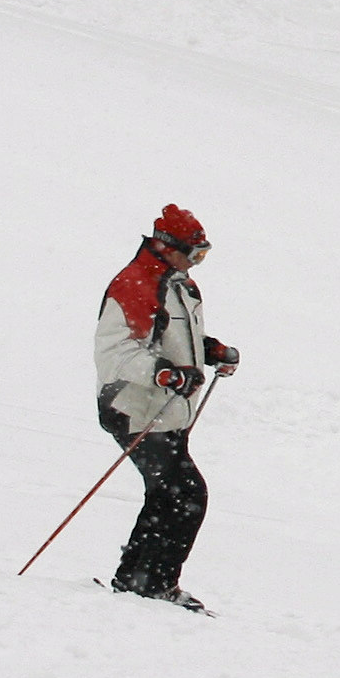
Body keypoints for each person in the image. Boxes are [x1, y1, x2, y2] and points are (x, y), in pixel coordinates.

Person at [93, 204, 238, 610]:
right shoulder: (135, 284)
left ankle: (136, 580)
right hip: (131, 408)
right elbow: (114, 354)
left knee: (167, 495)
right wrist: (164, 374)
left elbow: (172, 338)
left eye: (203, 254)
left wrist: (211, 351)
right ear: (166, 246)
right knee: (186, 495)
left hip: (164, 410)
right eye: (195, 254)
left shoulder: (180, 285)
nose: (197, 262)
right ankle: (153, 585)